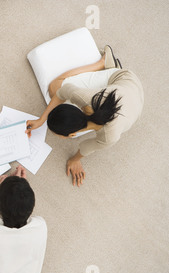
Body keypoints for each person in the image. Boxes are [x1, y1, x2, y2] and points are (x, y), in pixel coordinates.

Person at [26, 46, 144, 187]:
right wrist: (41, 119)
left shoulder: (108, 135)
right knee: (56, 90)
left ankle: (103, 62)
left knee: (53, 87)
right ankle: (103, 65)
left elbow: (86, 148)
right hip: (129, 90)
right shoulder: (85, 98)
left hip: (128, 84)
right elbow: (63, 92)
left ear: (69, 136)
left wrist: (74, 160)